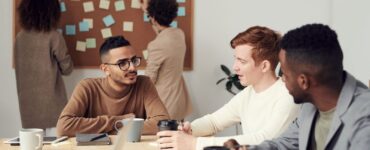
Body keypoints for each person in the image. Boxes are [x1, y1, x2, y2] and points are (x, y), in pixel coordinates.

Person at [225, 24, 370, 150]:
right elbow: (286, 144)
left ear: (303, 82)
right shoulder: (311, 105)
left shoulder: (364, 119)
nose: (282, 80)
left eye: (285, 75)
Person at [156, 26, 300, 150]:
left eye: (242, 61)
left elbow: (264, 140)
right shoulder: (249, 93)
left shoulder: (287, 95)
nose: (234, 67)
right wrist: (190, 129)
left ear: (264, 66)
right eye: (235, 59)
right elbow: (214, 122)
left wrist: (196, 144)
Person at [56, 36, 170, 137]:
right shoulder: (87, 87)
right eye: (123, 63)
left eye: (134, 60)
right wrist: (120, 120)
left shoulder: (144, 84)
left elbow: (163, 123)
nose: (132, 68)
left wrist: (113, 128)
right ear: (105, 69)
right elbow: (64, 126)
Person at [14, 0, 73, 133]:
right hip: (52, 100)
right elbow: (67, 68)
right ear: (52, 13)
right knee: (58, 139)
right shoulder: (54, 36)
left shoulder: (20, 37)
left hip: (27, 100)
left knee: (34, 141)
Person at [142, 0, 192, 121]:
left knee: (161, 138)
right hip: (179, 99)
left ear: (153, 18)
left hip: (164, 101)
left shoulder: (156, 45)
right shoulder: (179, 34)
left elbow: (149, 79)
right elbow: (162, 33)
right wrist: (150, 13)